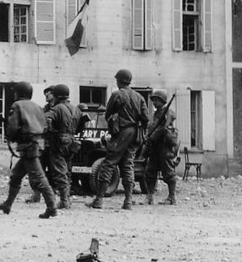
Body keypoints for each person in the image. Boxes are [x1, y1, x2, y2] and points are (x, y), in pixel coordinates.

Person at [0, 81, 58, 219]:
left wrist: (12, 136)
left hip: (27, 147)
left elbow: (12, 127)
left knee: (40, 178)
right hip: (36, 144)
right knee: (16, 176)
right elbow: (45, 126)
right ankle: (8, 204)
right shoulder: (38, 107)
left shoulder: (17, 105)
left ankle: (52, 207)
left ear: (18, 93)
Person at [88, 69, 148, 210]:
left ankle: (99, 199)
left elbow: (108, 113)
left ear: (120, 80)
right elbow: (145, 118)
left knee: (109, 163)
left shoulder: (117, 95)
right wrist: (140, 132)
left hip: (121, 133)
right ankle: (127, 201)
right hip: (134, 134)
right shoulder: (139, 97)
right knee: (128, 165)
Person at [139, 89, 180, 205]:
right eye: (153, 101)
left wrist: (152, 137)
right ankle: (149, 197)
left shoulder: (168, 113)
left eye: (156, 100)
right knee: (150, 172)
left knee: (168, 173)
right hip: (154, 147)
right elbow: (152, 126)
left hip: (164, 147)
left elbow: (163, 128)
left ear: (162, 101)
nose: (154, 103)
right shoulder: (156, 114)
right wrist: (148, 136)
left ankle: (172, 197)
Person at [45, 84, 81, 210]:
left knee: (59, 172)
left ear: (56, 95)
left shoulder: (57, 108)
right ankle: (67, 199)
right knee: (68, 171)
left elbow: (46, 121)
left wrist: (51, 131)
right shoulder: (76, 109)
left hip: (58, 141)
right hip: (72, 141)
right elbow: (83, 126)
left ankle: (64, 201)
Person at [27, 86, 56, 204]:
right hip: (43, 143)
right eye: (45, 93)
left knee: (55, 171)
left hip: (55, 144)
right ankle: (36, 194)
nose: (47, 95)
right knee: (38, 170)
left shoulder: (59, 109)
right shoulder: (44, 109)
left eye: (49, 93)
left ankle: (52, 196)